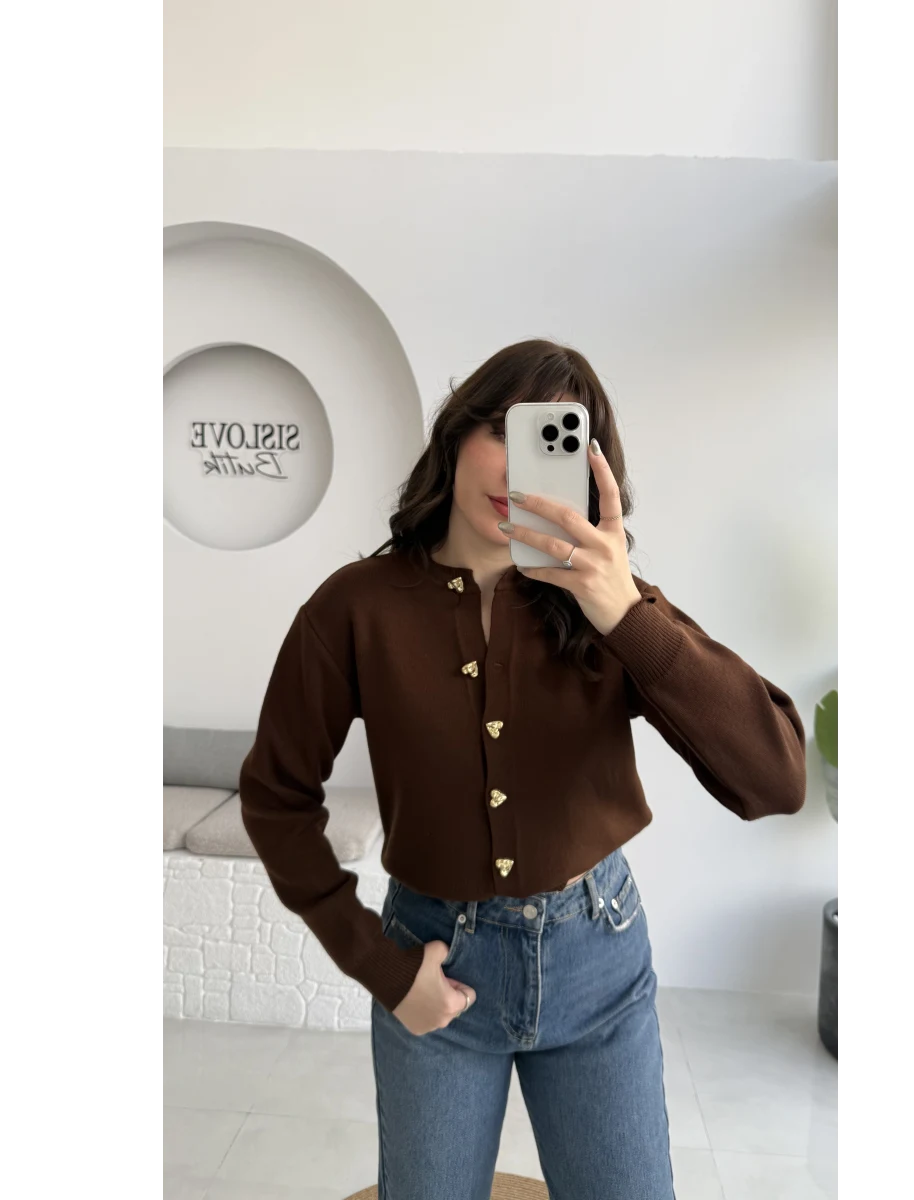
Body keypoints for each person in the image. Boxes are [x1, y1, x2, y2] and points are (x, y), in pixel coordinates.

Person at [239, 339, 808, 1200]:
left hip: (599, 962)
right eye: (504, 431)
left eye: (555, 442)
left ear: (590, 474)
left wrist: (625, 611)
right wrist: (380, 967)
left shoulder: (610, 606)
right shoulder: (353, 609)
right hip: (434, 963)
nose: (518, 467)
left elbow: (778, 779)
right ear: (456, 436)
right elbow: (275, 798)